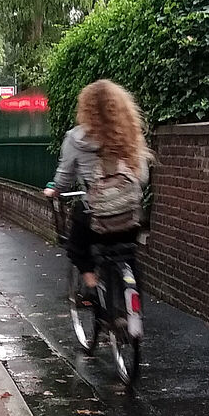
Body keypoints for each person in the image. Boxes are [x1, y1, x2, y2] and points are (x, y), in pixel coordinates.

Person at [42, 79, 150, 295]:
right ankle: (133, 309)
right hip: (129, 218)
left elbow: (63, 179)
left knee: (76, 250)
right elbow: (143, 177)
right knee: (128, 253)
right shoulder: (129, 134)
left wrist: (54, 190)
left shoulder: (76, 138)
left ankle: (93, 287)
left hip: (95, 221)